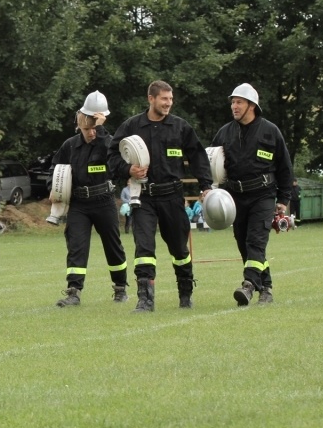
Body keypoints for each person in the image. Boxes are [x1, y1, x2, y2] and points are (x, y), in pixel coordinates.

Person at [107, 81, 213, 312]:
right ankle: (145, 299)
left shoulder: (180, 127)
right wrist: (128, 170)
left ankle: (185, 292)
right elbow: (112, 157)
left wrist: (206, 185)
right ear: (151, 99)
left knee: (180, 250)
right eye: (164, 99)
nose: (168, 103)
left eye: (170, 99)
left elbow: (198, 157)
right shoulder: (131, 126)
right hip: (143, 198)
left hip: (172, 197)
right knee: (143, 248)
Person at [211, 83, 292, 307]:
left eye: (239, 102)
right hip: (234, 197)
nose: (234, 106)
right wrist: (210, 190)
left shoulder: (270, 131)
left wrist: (283, 200)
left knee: (256, 241)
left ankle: (247, 286)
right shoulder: (224, 132)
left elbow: (285, 167)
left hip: (263, 196)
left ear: (252, 106)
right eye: (233, 102)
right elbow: (212, 165)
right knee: (244, 245)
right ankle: (265, 288)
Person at [52, 90, 128, 307]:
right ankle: (73, 292)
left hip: (104, 200)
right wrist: (52, 189)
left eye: (95, 128)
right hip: (79, 204)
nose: (92, 133)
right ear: (80, 127)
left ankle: (120, 288)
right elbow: (55, 169)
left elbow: (115, 153)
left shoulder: (108, 142)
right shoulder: (69, 146)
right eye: (87, 129)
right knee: (76, 246)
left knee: (113, 246)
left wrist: (101, 128)